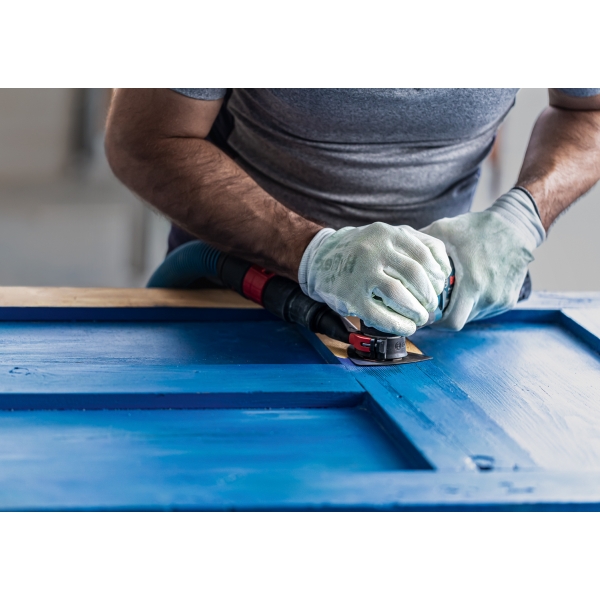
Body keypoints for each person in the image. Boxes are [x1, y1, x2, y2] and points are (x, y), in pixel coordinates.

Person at [105, 89, 600, 335]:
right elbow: (142, 137)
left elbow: (587, 109)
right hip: (241, 299)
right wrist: (310, 251)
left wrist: (521, 219)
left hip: (435, 317)